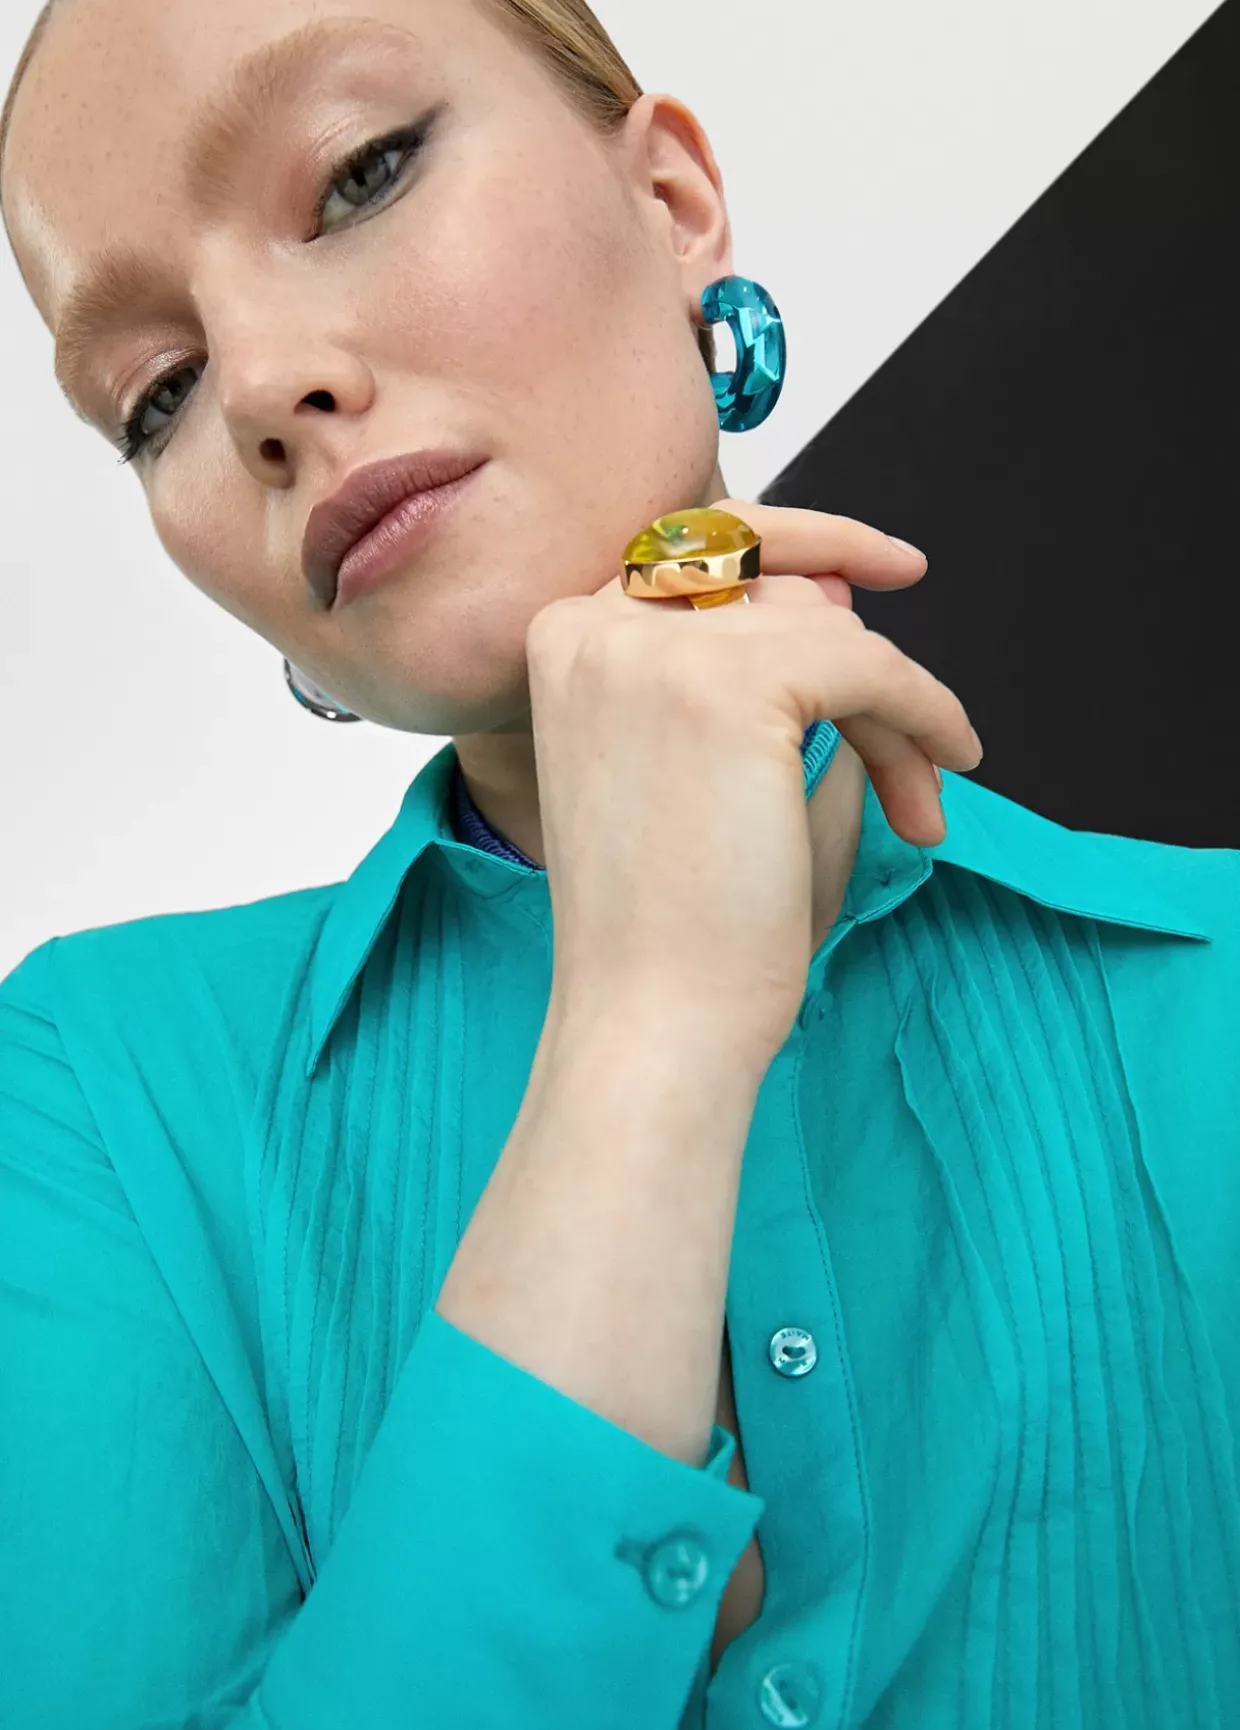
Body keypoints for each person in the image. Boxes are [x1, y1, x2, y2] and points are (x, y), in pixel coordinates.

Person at [1, 0, 1238, 1725]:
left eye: (360, 173)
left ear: (671, 205)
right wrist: (640, 1036)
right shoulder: (96, 1090)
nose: (264, 388)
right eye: (158, 394)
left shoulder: (1213, 1000)